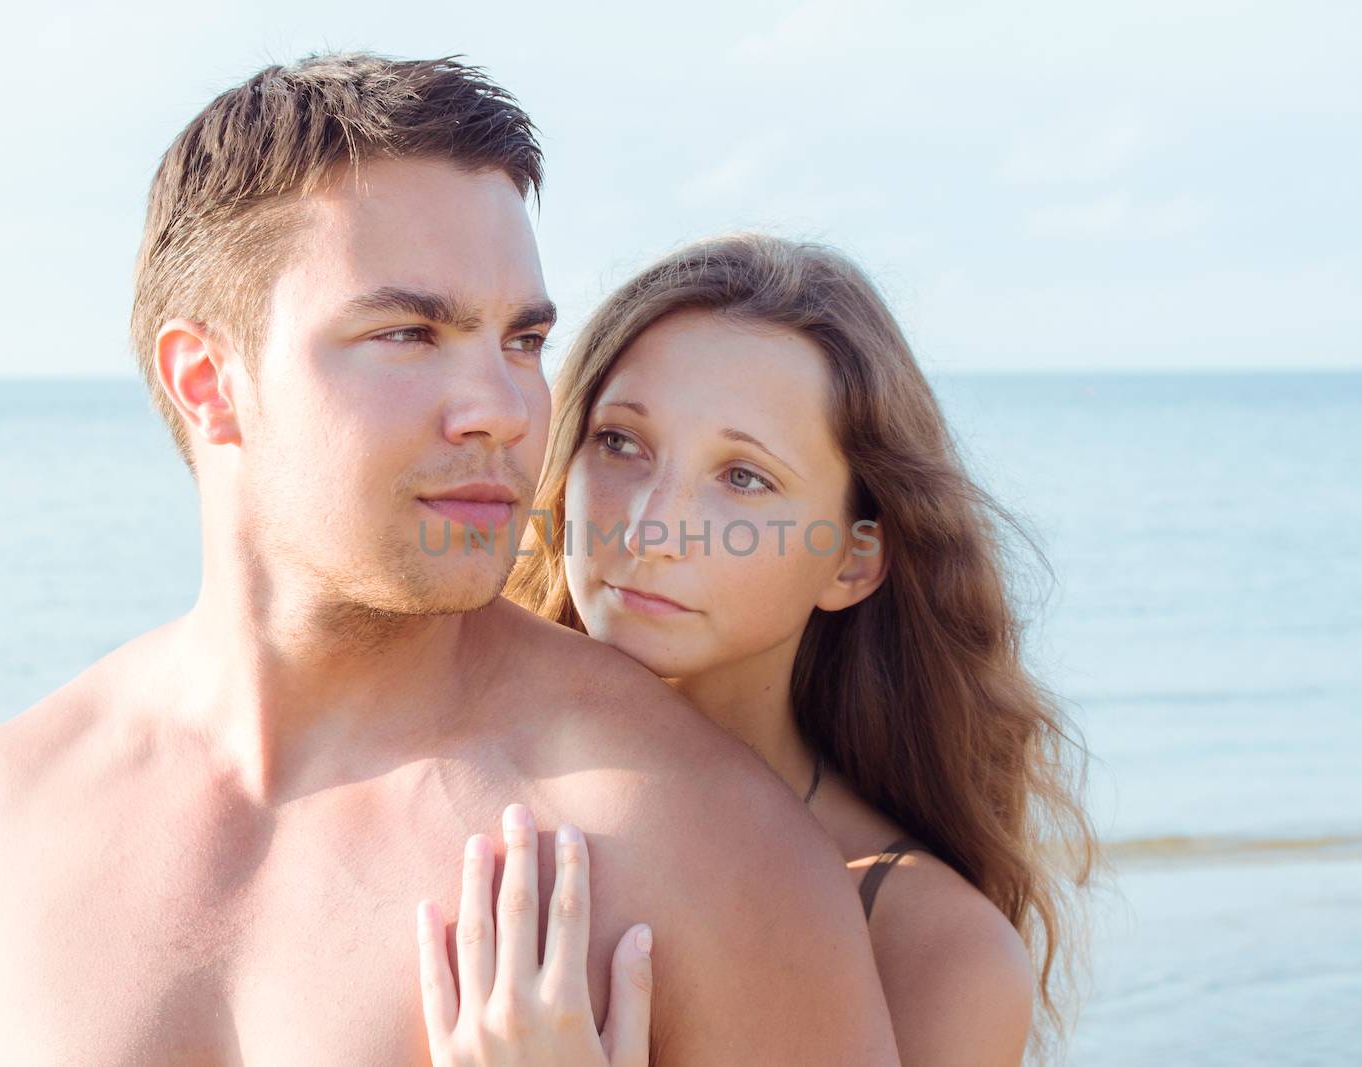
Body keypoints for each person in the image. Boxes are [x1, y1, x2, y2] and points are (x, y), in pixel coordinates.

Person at [0, 54, 903, 1065]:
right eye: (410, 333)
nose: (502, 409)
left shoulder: (695, 847)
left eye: (521, 339)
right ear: (208, 380)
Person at [421, 233, 1101, 1066]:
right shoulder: (435, 775)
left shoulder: (930, 948)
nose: (649, 528)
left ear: (853, 558)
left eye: (742, 477)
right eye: (621, 442)